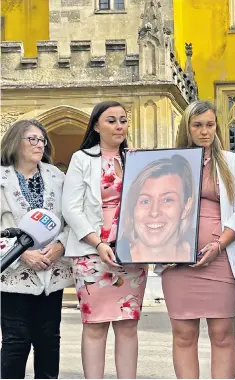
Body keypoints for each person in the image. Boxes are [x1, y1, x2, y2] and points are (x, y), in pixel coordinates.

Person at [158, 100, 235, 379]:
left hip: (221, 258)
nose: (204, 131)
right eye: (197, 125)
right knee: (184, 334)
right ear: (187, 128)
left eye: (210, 125)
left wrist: (220, 243)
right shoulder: (168, 163)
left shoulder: (231, 162)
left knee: (222, 334)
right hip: (177, 262)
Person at [62, 101, 148, 379]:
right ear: (97, 125)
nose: (119, 125)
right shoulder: (81, 159)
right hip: (91, 253)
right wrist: (98, 244)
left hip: (131, 252)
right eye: (111, 120)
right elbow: (71, 208)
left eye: (123, 120)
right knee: (95, 325)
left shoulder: (137, 159)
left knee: (127, 325)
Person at [0, 119, 73, 379]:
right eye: (32, 139)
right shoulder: (1, 178)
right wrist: (21, 252)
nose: (39, 144)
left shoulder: (57, 177)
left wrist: (60, 246)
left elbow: (70, 219)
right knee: (16, 341)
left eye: (42, 140)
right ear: (14, 141)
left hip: (50, 271)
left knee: (48, 339)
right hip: (13, 273)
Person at [116, 155, 196, 263]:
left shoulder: (200, 250)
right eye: (145, 201)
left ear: (186, 207)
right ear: (132, 208)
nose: (154, 212)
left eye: (167, 200)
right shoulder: (116, 254)